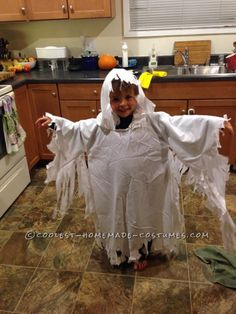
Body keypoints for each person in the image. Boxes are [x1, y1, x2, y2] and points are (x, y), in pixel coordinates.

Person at [36, 68, 236, 270]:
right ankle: (119, 249)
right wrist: (55, 124)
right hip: (112, 187)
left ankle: (139, 252)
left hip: (145, 186)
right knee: (115, 215)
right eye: (115, 99)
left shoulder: (153, 122)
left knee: (143, 215)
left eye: (128, 97)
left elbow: (181, 125)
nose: (123, 103)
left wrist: (214, 124)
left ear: (137, 96)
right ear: (107, 100)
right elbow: (75, 130)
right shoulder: (99, 127)